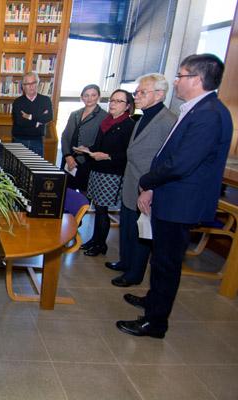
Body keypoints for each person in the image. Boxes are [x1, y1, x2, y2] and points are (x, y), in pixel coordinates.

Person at [118, 54, 233, 338]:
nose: (177, 81)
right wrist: (154, 188)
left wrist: (148, 181)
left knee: (167, 263)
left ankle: (155, 322)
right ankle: (153, 302)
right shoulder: (194, 109)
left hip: (181, 202)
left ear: (196, 79)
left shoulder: (209, 114)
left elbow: (182, 163)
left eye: (181, 76)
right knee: (160, 259)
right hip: (169, 195)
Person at [107, 74, 177, 287]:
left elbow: (167, 158)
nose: (136, 96)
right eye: (137, 92)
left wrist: (151, 186)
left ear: (159, 94)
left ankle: (134, 273)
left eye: (141, 92)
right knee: (127, 226)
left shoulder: (168, 120)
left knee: (140, 232)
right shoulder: (142, 115)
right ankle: (125, 262)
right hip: (131, 179)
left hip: (146, 184)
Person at [77, 89, 135, 257]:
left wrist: (108, 156)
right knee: (96, 207)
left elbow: (128, 153)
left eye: (118, 101)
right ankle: (94, 240)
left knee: (102, 210)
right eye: (112, 100)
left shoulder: (128, 125)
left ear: (127, 106)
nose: (113, 104)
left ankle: (101, 244)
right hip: (97, 170)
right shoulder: (106, 122)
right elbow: (98, 146)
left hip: (111, 173)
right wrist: (87, 150)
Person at [60, 84, 108, 191]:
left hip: (87, 162)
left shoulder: (105, 117)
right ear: (82, 97)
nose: (89, 98)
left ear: (99, 97)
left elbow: (102, 142)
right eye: (86, 95)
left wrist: (87, 151)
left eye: (93, 95)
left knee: (84, 193)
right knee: (65, 192)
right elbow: (65, 136)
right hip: (69, 159)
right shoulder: (75, 114)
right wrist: (68, 155)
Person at [11, 72, 53, 157]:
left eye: (33, 83)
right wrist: (37, 121)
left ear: (38, 84)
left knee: (36, 168)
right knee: (17, 168)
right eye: (27, 84)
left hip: (37, 141)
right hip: (19, 140)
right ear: (23, 86)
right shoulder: (17, 102)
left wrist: (30, 116)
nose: (31, 86)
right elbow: (20, 121)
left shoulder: (45, 100)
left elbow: (49, 117)